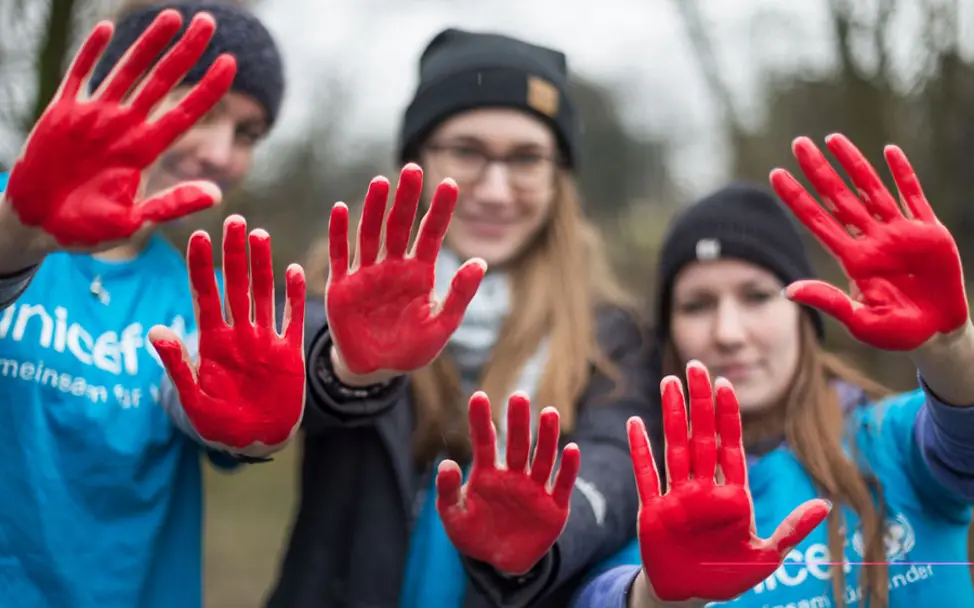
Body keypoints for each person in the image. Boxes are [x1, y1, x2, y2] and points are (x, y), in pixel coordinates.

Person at [266, 28, 661, 608]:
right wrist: (345, 367)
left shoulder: (610, 332)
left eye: (527, 158)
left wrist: (549, 525)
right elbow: (297, 344)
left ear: (559, 179)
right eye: (467, 151)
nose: (496, 190)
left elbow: (618, 464)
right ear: (417, 161)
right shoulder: (340, 287)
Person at [572, 134, 974, 607]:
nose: (727, 332)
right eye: (696, 305)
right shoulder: (647, 500)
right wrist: (657, 599)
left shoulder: (895, 442)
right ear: (669, 332)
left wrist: (950, 347)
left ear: (806, 313)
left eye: (757, 296)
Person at [0, 3, 303, 607]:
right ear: (125, 95)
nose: (221, 153)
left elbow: (189, 397)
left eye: (248, 133)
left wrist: (254, 431)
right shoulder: (11, 221)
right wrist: (18, 239)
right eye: (205, 110)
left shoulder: (204, 293)